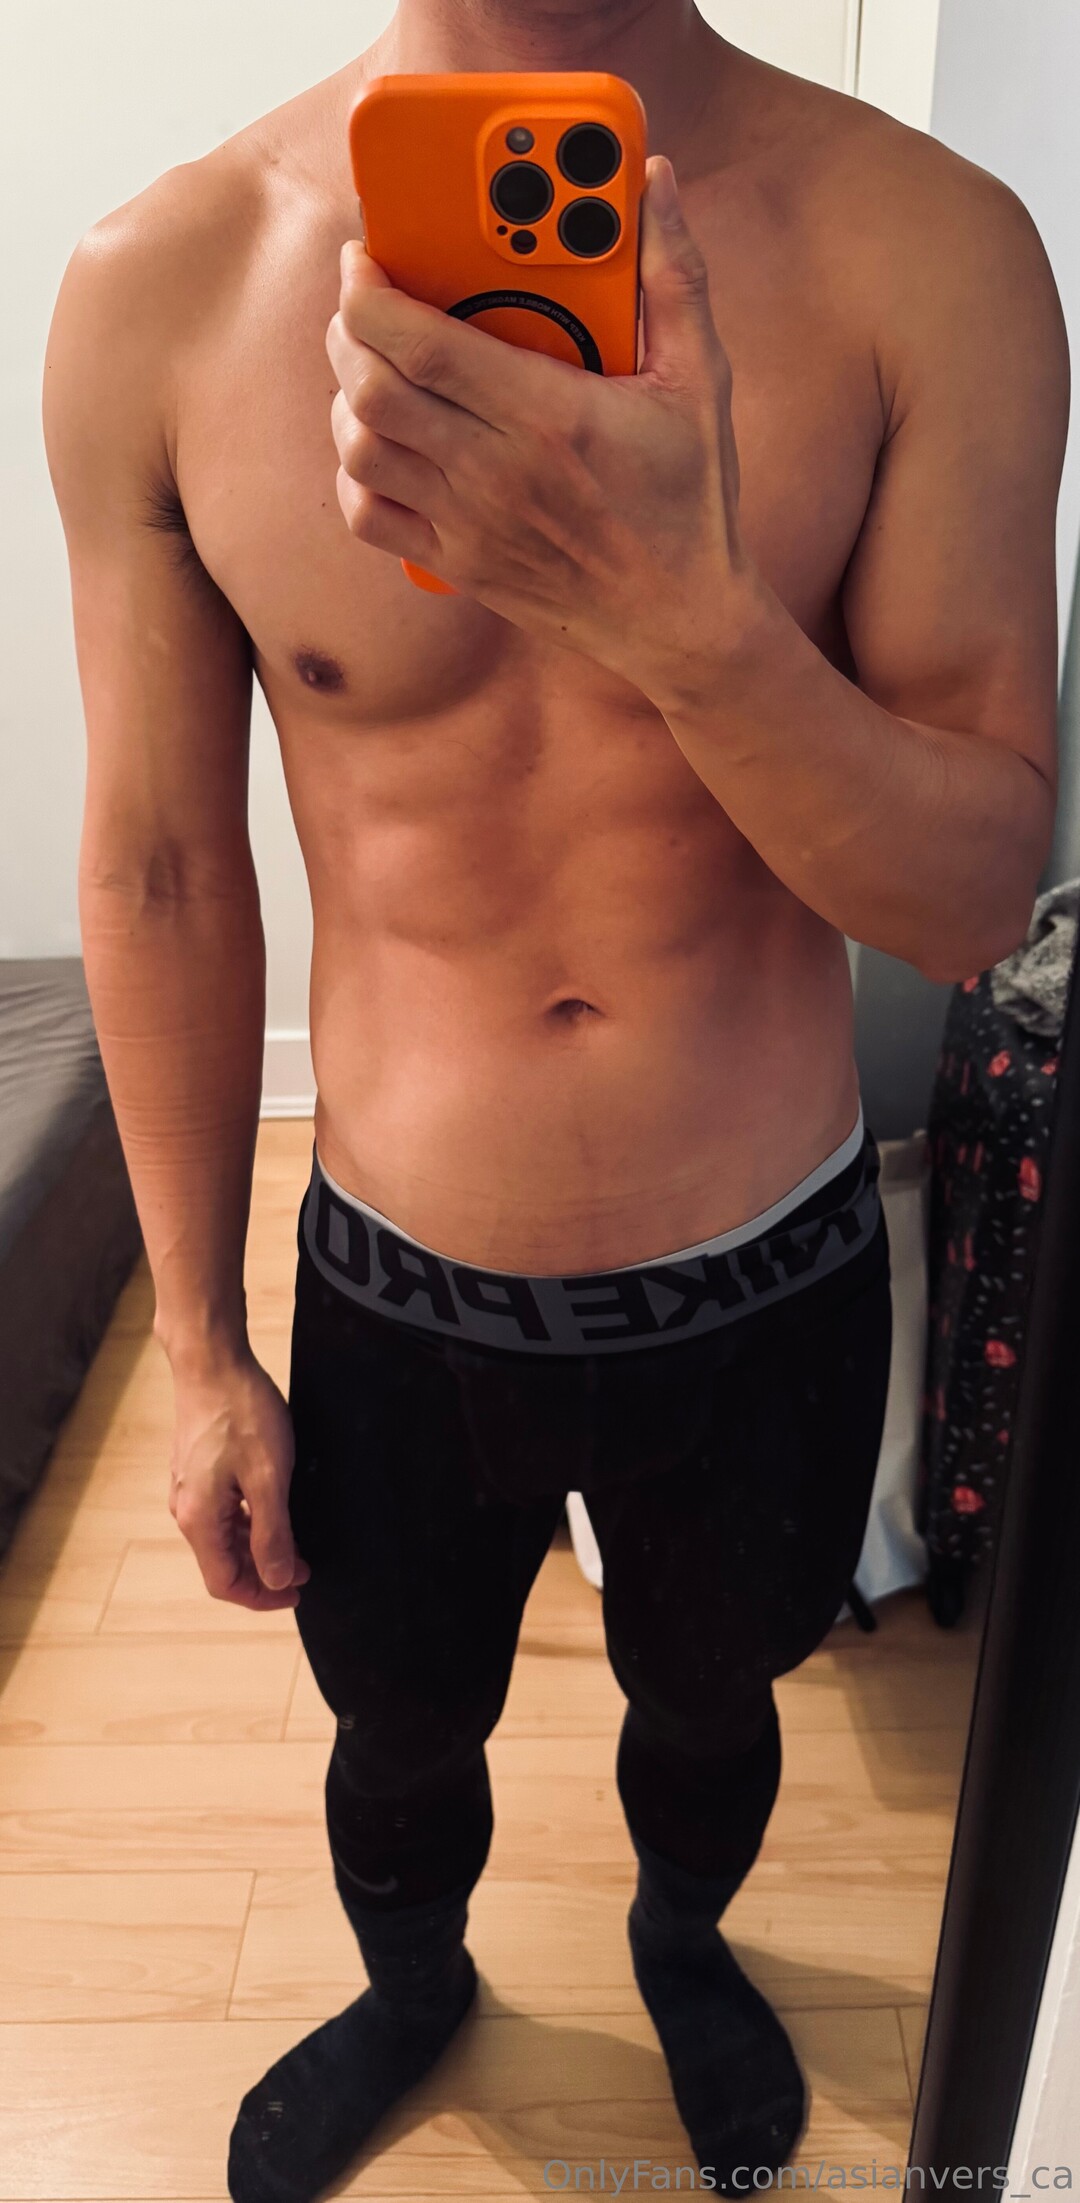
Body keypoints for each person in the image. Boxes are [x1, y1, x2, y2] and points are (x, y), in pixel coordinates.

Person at [43, 0, 1067, 2196]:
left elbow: (979, 896)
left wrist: (691, 623)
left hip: (769, 1270)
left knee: (716, 1696)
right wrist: (201, 1348)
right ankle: (415, 1990)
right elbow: (158, 869)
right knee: (397, 1721)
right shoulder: (165, 284)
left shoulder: (934, 252)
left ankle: (682, 1946)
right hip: (399, 1288)